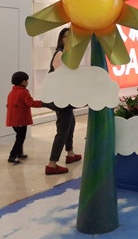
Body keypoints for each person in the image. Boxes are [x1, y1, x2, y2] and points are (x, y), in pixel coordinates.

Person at [46, 27, 82, 175]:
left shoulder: (67, 54)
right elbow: (62, 77)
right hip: (61, 98)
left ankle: (70, 153)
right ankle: (52, 164)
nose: (68, 39)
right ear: (61, 39)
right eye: (65, 36)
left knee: (70, 124)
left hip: (66, 98)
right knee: (63, 130)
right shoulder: (60, 54)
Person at [6, 71, 43, 164]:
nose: (27, 82)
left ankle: (19, 153)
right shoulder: (23, 92)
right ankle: (12, 156)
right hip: (20, 120)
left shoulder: (12, 92)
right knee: (20, 138)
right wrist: (44, 103)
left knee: (19, 136)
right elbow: (31, 103)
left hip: (13, 120)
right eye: (26, 81)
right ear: (23, 82)